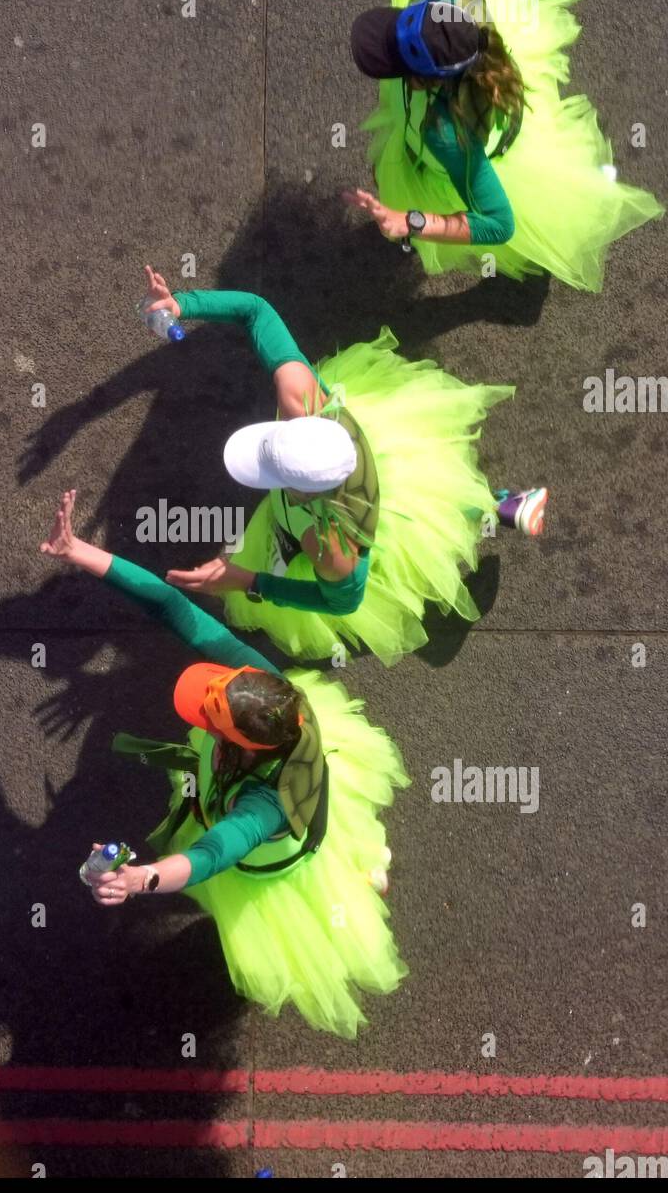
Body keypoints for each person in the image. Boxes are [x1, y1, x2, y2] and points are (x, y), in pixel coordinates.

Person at [39, 489, 409, 1039]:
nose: (203, 709)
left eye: (209, 716)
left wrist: (140, 878)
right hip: (270, 785)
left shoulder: (265, 805)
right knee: (336, 834)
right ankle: (364, 866)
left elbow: (213, 854)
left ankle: (359, 879)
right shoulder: (265, 687)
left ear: (242, 741)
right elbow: (175, 609)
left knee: (312, 873)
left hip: (273, 846)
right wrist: (80, 552)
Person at [144, 268, 546, 663]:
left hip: (360, 519)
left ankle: (498, 507)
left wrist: (250, 582)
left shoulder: (332, 548)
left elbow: (341, 603)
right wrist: (181, 304)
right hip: (377, 470)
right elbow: (255, 310)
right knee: (433, 503)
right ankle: (501, 506)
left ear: (301, 493)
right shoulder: (300, 397)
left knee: (425, 524)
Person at [334, 0, 664, 291]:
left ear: (421, 81)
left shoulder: (445, 134)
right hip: (487, 110)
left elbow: (498, 222)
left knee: (470, 191)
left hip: (466, 151)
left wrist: (410, 221)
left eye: (392, 60)